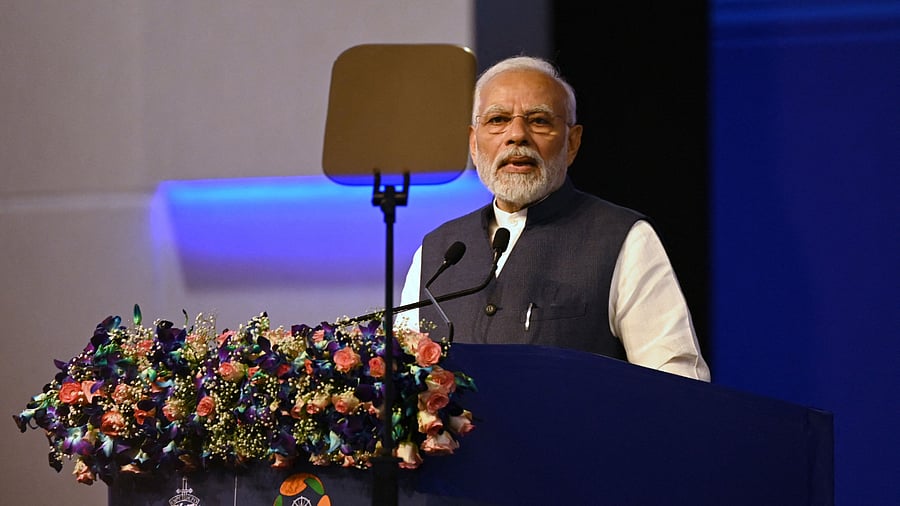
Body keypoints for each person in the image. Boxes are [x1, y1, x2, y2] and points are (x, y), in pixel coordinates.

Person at [399, 55, 710, 381]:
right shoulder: (438, 251)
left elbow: (677, 379)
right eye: (498, 120)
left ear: (572, 142)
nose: (517, 135)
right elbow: (403, 386)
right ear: (474, 144)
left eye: (539, 121)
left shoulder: (622, 238)